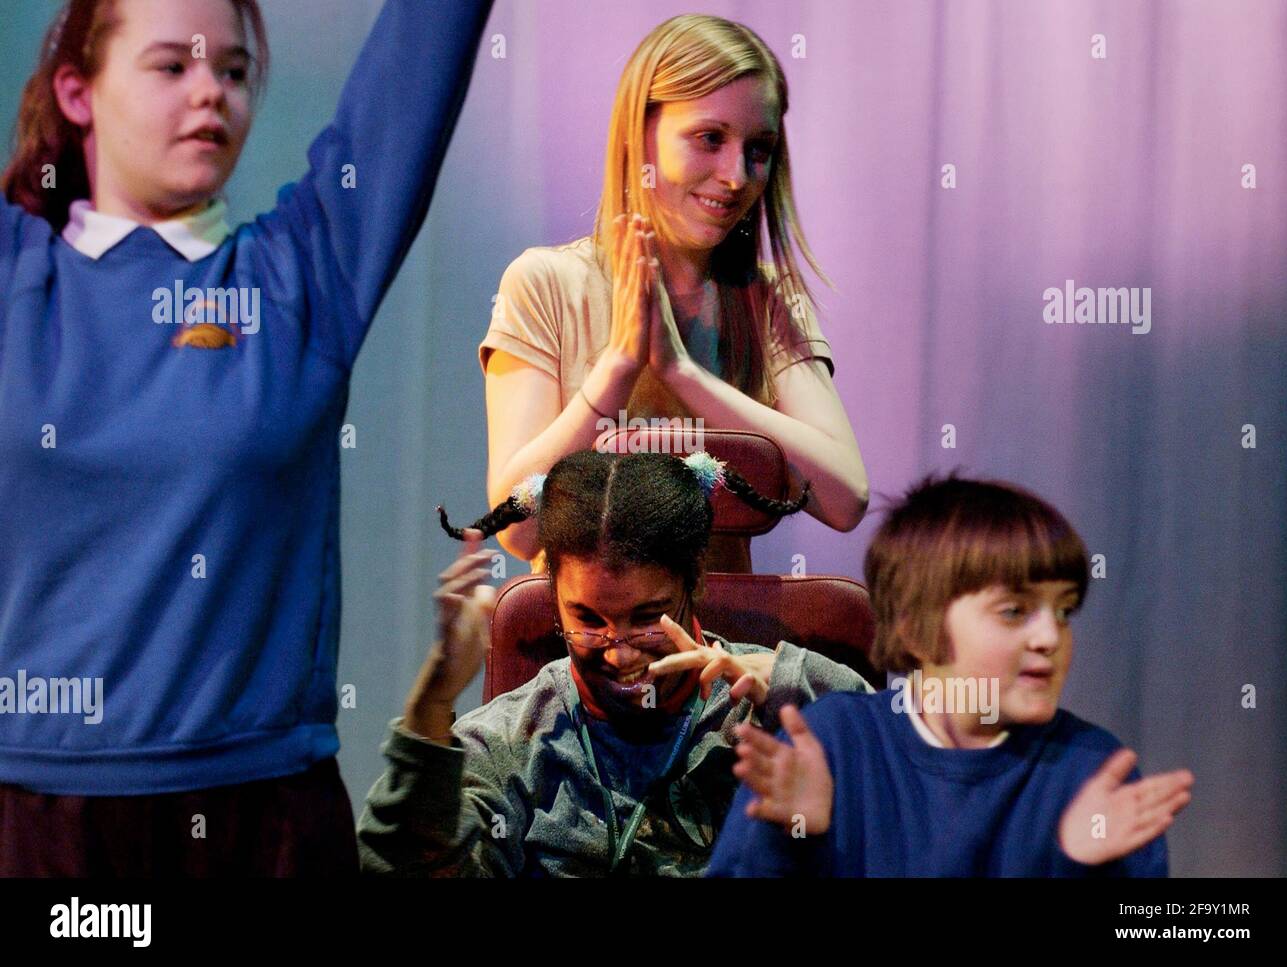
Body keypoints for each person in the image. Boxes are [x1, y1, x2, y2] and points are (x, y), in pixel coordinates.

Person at [0, 0, 491, 875]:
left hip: (263, 825)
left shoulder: (302, 277)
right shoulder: (16, 278)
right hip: (37, 825)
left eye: (231, 71)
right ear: (77, 92)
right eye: (171, 67)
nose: (210, 95)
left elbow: (425, 41)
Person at [356, 450, 870, 876]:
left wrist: (798, 685)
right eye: (587, 618)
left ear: (696, 582)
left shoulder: (771, 707)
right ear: (553, 593)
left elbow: (908, 810)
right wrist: (432, 703)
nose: (619, 651)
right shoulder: (512, 742)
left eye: (647, 617)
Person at [480, 14, 869, 574]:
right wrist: (619, 366)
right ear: (640, 134)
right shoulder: (545, 283)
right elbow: (518, 528)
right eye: (710, 139)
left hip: (722, 653)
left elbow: (843, 498)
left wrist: (682, 371)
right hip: (583, 650)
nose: (736, 175)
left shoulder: (768, 299)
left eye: (758, 149)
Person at [708, 474, 1195, 876]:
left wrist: (1077, 865)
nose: (1051, 636)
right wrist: (790, 840)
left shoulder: (1091, 772)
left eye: (1064, 611)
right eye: (1014, 611)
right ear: (915, 630)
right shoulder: (828, 745)